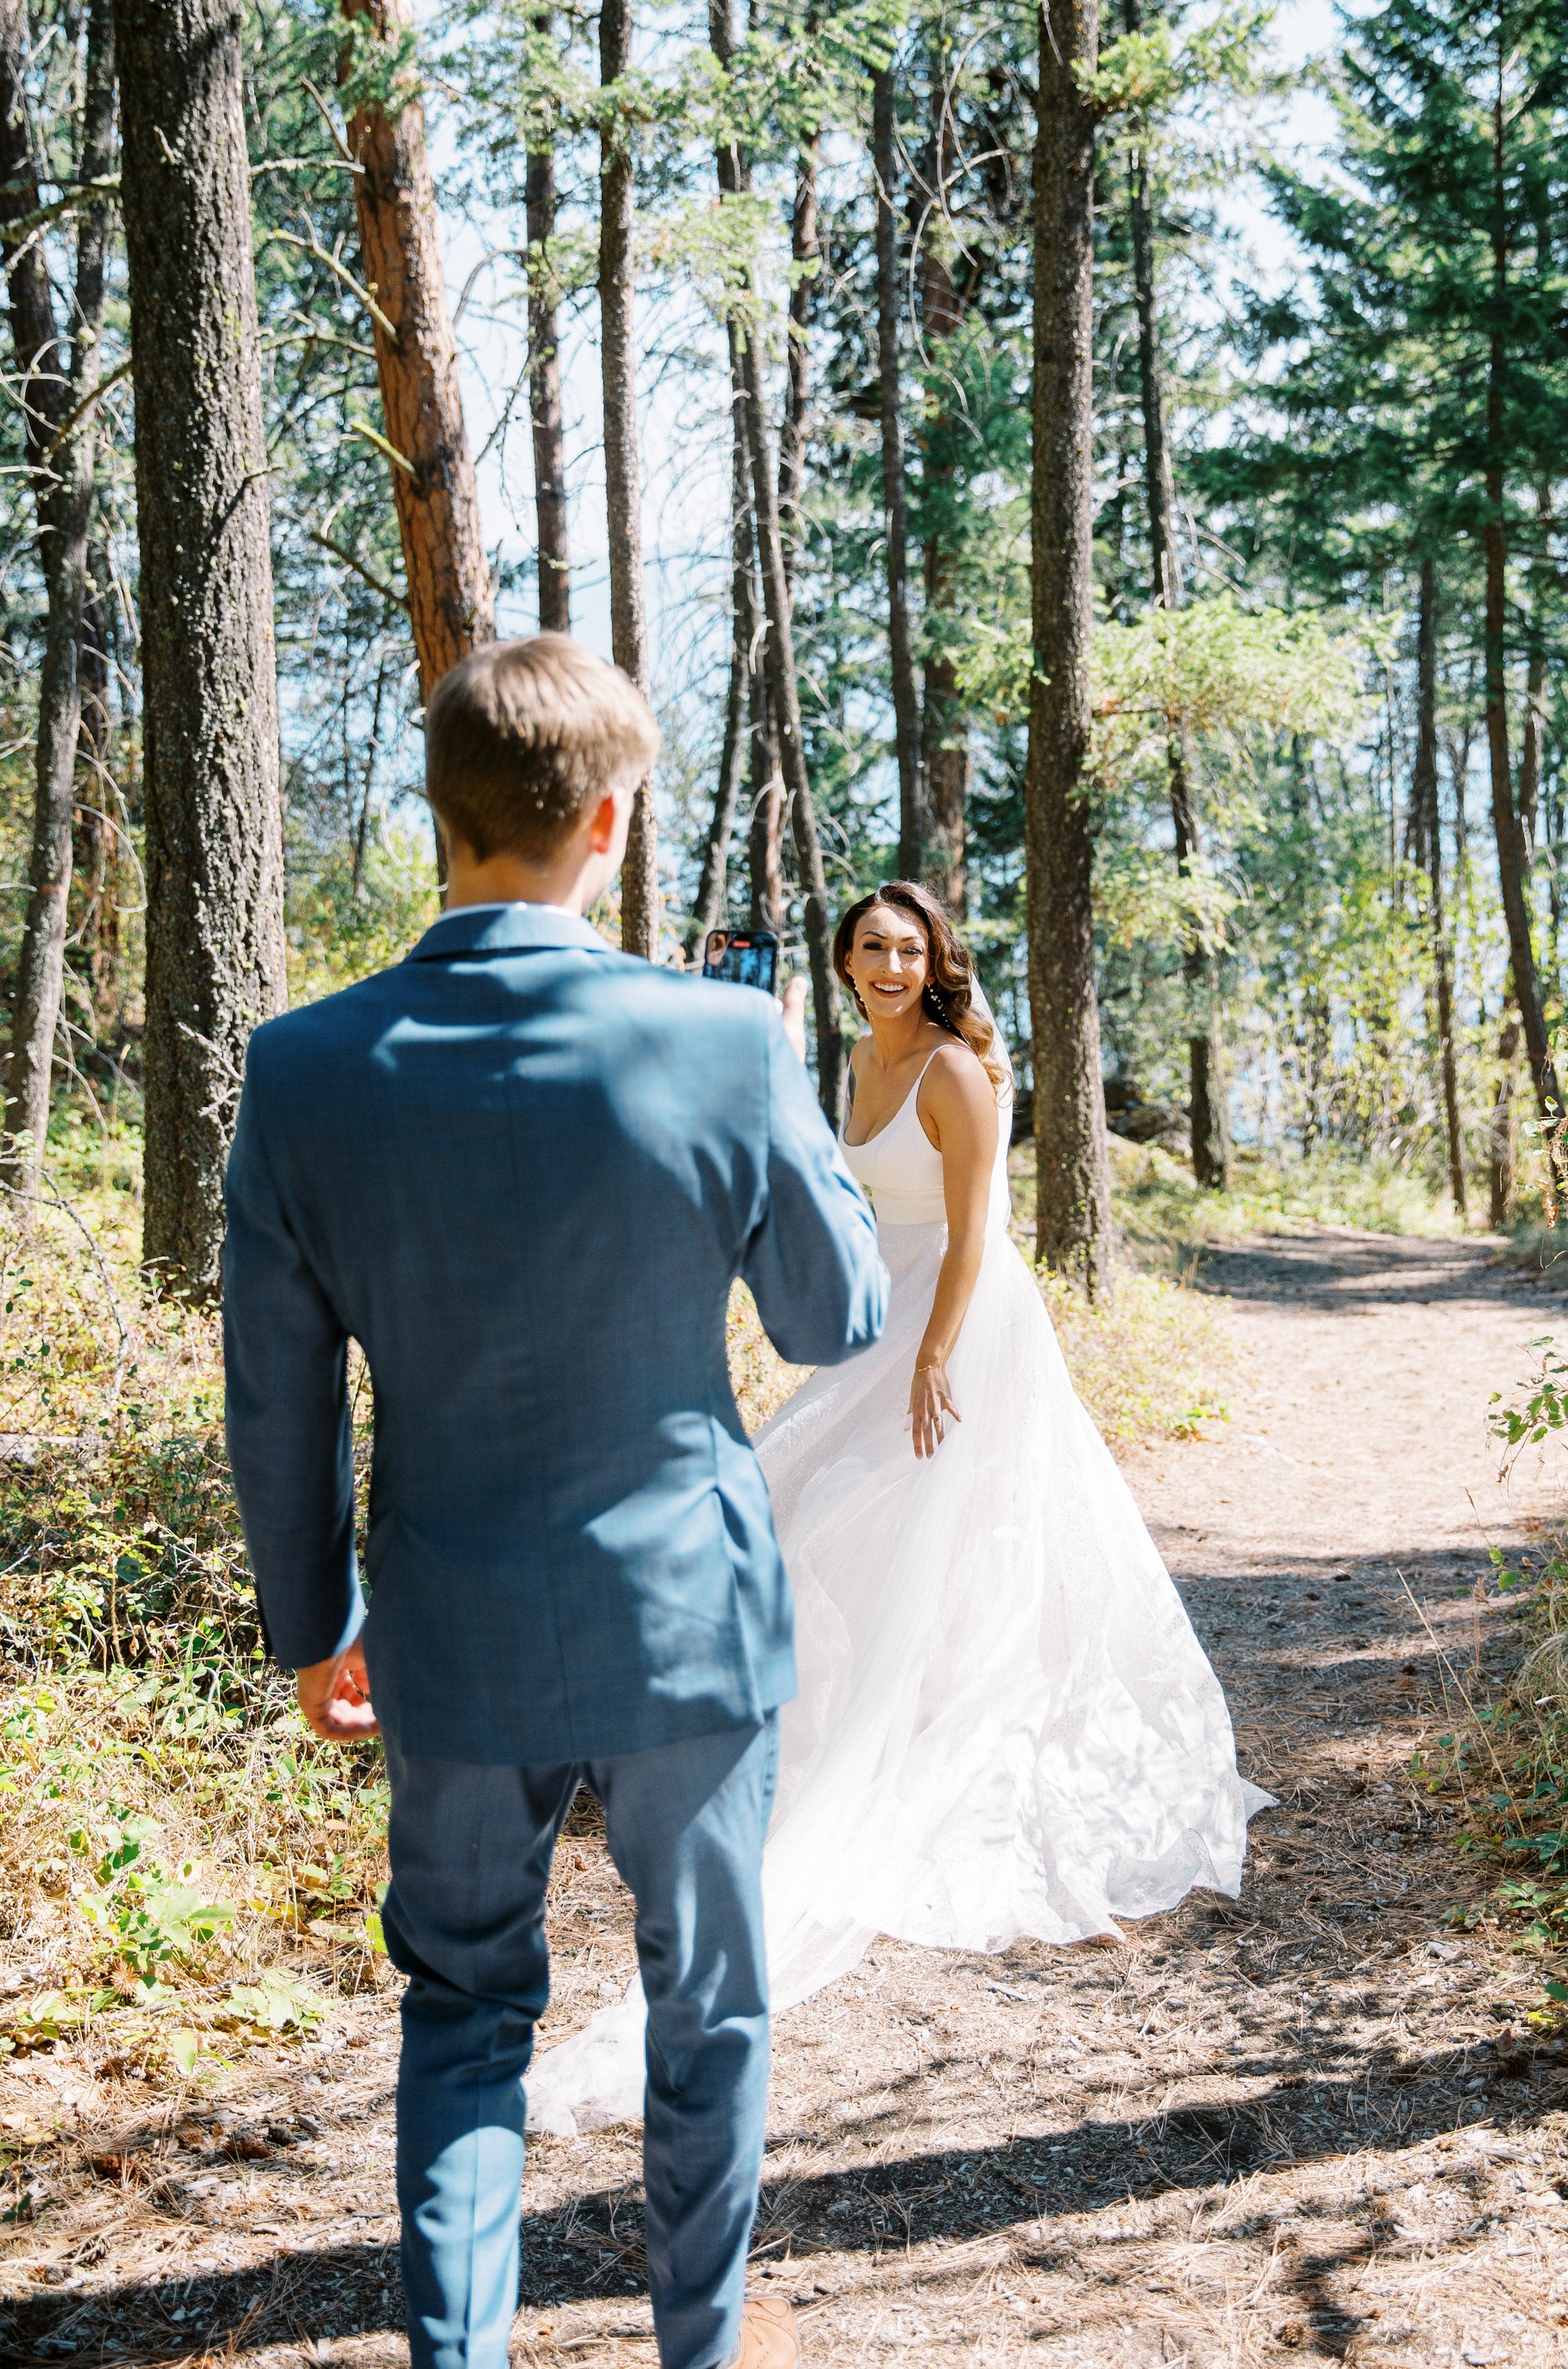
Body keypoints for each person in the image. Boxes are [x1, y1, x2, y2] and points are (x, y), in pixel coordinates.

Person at [222, 636, 888, 2369]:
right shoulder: (729, 1038)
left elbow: (280, 1398)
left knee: (459, 2012)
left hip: (446, 1624)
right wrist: (785, 1090)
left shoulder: (299, 1071)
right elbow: (835, 1317)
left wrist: (314, 1630)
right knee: (711, 2007)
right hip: (686, 1620)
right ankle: (697, 2353)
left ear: (440, 815)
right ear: (607, 818)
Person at [527, 880, 1270, 2134]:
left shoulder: (953, 1073)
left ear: (936, 964)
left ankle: (875, 1737)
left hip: (965, 1328)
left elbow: (979, 1230)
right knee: (784, 1498)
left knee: (915, 1525)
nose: (886, 962)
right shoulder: (855, 1063)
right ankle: (762, 1726)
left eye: (907, 948)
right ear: (843, 959)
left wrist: (932, 1355)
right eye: (869, 945)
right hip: (884, 1323)